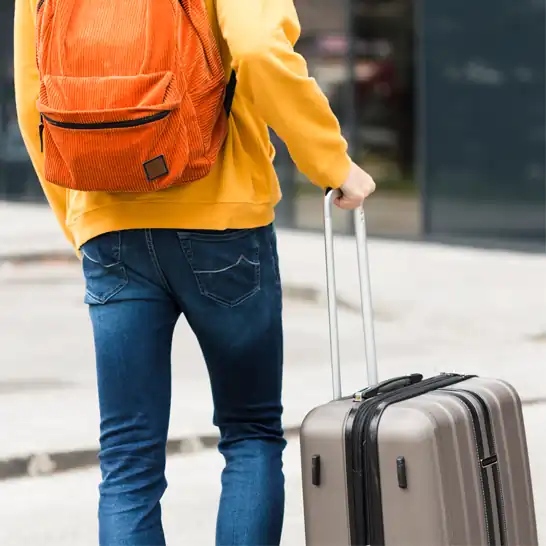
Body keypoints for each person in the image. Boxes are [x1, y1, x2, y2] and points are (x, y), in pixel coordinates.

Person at [13, 0, 376, 543]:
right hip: (222, 222)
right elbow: (257, 49)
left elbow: (30, 99)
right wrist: (332, 163)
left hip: (109, 225)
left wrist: (82, 225)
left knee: (127, 462)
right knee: (250, 434)